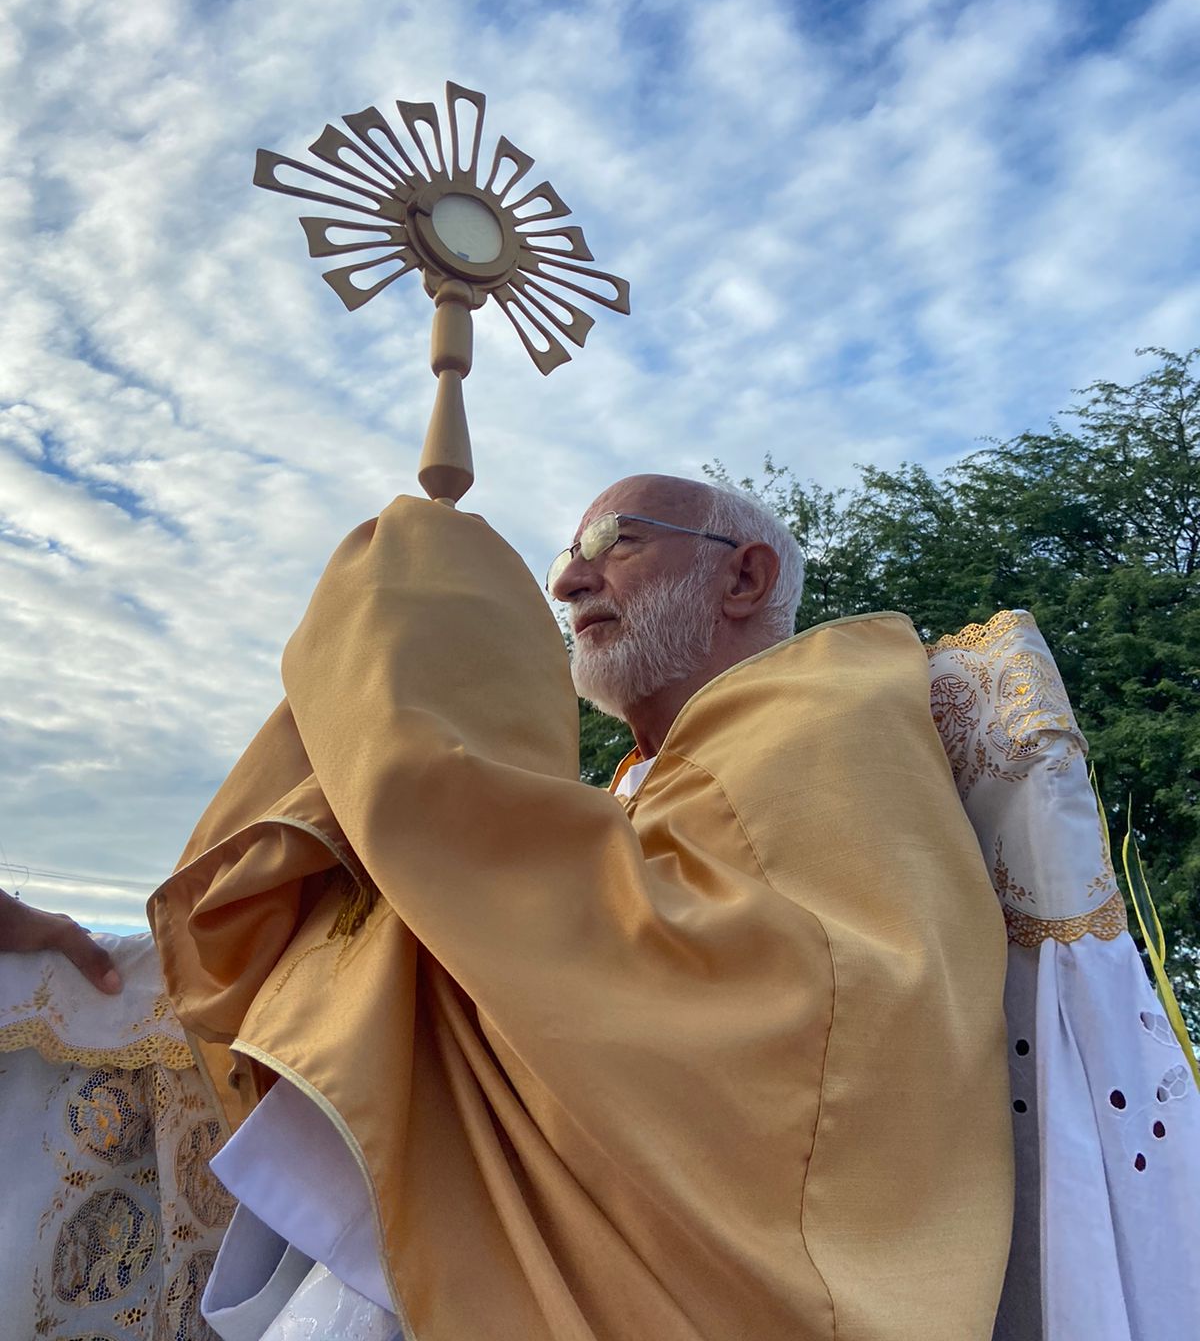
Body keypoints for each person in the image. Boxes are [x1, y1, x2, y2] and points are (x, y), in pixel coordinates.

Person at [2, 476, 1015, 1340]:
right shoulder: (642, 795)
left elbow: (785, 1001)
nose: (569, 582)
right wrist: (68, 968)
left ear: (744, 577)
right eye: (565, 559)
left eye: (615, 542)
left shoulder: (829, 715)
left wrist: (403, 613)